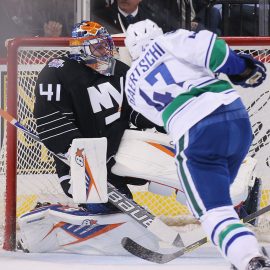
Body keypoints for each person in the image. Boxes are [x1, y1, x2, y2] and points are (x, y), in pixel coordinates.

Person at [124, 19, 269, 270]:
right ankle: (240, 243)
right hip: (235, 117)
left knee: (214, 211)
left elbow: (164, 118)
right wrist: (243, 69)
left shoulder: (130, 86)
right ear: (157, 33)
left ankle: (249, 257)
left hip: (195, 132)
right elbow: (214, 50)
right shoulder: (169, 40)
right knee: (221, 197)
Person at [33, 20, 159, 214]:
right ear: (80, 49)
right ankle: (76, 215)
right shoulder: (58, 71)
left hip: (115, 156)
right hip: (78, 164)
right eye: (98, 47)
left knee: (160, 169)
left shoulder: (120, 71)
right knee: (103, 205)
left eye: (106, 45)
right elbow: (52, 122)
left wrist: (164, 120)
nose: (106, 52)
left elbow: (137, 111)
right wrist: (80, 156)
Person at [0, 0, 75, 57]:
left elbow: (48, 59)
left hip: (33, 66)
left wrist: (49, 38)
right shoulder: (5, 12)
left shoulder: (46, 11)